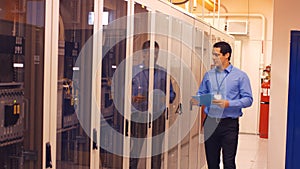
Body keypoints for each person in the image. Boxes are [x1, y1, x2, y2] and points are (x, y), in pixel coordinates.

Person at [196, 41, 253, 169]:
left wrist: (229, 104)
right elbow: (200, 96)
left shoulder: (240, 76)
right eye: (213, 55)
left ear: (227, 55)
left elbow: (248, 100)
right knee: (212, 162)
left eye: (217, 55)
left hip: (229, 125)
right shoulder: (208, 75)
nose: (214, 58)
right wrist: (205, 99)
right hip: (210, 122)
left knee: (229, 162)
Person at [130, 40, 176, 169]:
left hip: (157, 116)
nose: (153, 56)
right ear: (143, 54)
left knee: (156, 151)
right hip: (139, 115)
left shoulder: (163, 72)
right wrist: (133, 98)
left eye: (156, 53)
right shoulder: (134, 72)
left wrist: (164, 99)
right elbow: (124, 94)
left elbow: (172, 94)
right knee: (136, 150)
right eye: (150, 53)